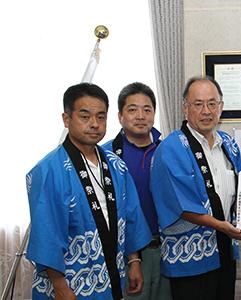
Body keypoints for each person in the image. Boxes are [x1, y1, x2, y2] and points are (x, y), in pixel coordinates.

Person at [26, 83, 152, 300]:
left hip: (111, 275)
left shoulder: (116, 166)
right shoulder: (48, 171)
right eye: (85, 117)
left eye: (101, 117)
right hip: (69, 284)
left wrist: (133, 261)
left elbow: (131, 216)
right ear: (67, 119)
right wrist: (59, 285)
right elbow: (46, 234)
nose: (94, 124)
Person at [150, 76, 241, 300]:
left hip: (224, 250)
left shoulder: (229, 144)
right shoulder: (171, 147)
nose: (206, 111)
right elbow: (180, 204)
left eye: (212, 103)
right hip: (190, 259)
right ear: (185, 108)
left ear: (221, 107)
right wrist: (223, 226)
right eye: (198, 104)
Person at [102, 82, 172, 300]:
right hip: (126, 254)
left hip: (167, 249)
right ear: (120, 116)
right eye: (132, 110)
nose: (140, 116)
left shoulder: (169, 151)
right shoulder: (106, 156)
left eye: (147, 109)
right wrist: (132, 258)